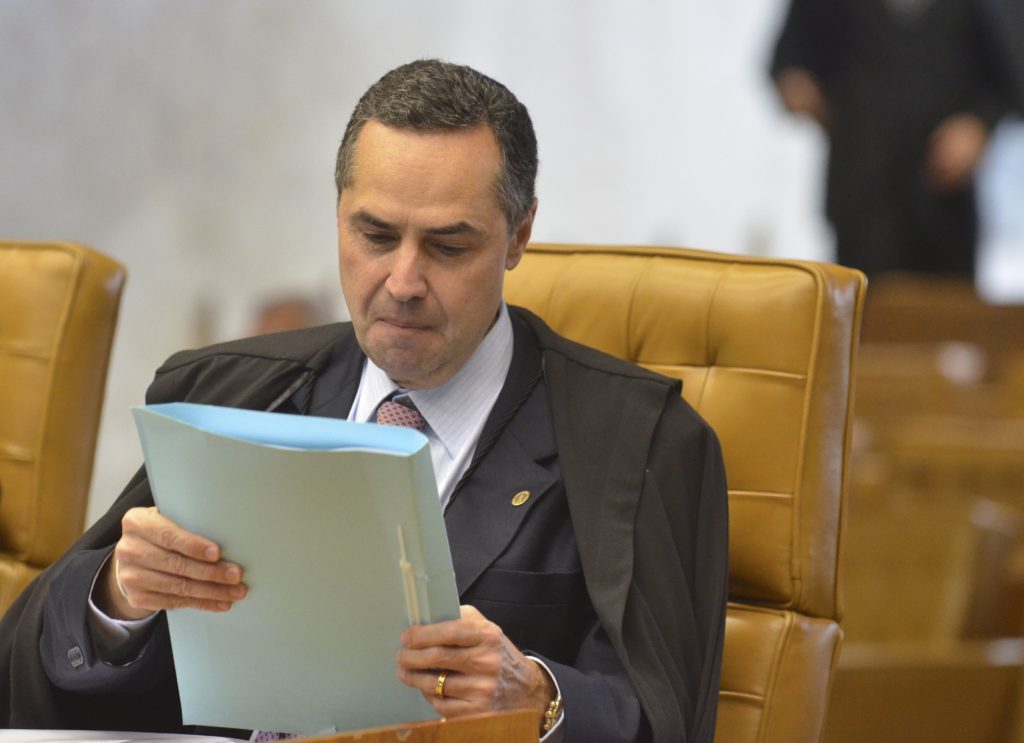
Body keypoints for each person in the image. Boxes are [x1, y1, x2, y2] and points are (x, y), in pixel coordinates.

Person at [0, 60, 728, 743]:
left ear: (519, 236)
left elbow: (666, 716)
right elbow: (22, 657)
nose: (403, 282)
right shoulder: (225, 390)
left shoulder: (639, 443)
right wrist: (118, 598)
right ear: (339, 215)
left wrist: (540, 698)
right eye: (375, 235)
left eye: (448, 247)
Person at [770, 0, 1015, 278]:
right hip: (861, 189)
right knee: (862, 293)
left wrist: (978, 124)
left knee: (945, 299)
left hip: (945, 199)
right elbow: (791, 60)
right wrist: (799, 85)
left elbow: (1005, 76)